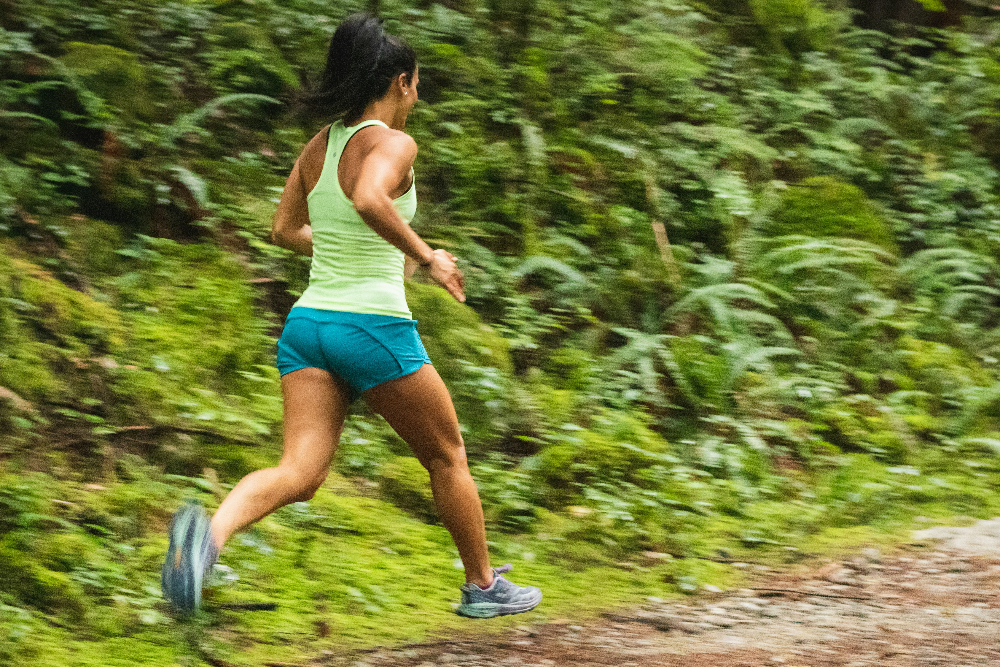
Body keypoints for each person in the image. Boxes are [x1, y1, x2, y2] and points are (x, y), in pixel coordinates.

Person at [161, 12, 542, 620]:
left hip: (309, 327)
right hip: (371, 326)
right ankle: (484, 587)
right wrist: (428, 257)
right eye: (416, 85)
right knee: (447, 457)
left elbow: (283, 230)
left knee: (299, 471)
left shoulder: (320, 145)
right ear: (399, 82)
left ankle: (205, 543)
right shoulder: (393, 143)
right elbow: (368, 196)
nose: (417, 97)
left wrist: (347, 246)